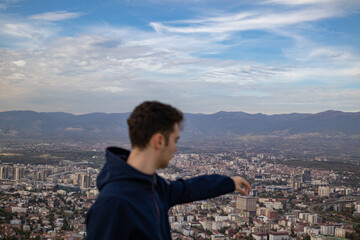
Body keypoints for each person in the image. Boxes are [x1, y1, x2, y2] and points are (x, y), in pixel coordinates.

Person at [86, 101, 251, 240]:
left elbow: (189, 189)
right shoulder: (114, 203)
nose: (176, 149)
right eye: (175, 140)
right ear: (159, 140)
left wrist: (229, 183)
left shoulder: (153, 186)